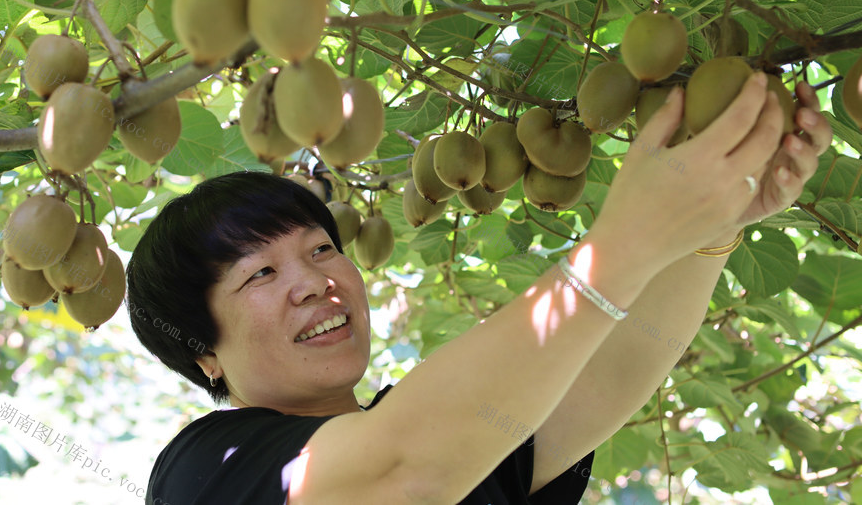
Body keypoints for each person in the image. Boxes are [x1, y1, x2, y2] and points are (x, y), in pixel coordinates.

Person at [126, 73, 831, 504]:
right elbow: (403, 471)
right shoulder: (204, 472)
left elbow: (608, 374)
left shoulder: (455, 438)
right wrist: (626, 237)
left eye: (320, 249)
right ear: (204, 354)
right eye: (262, 272)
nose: (315, 281)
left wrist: (713, 229)